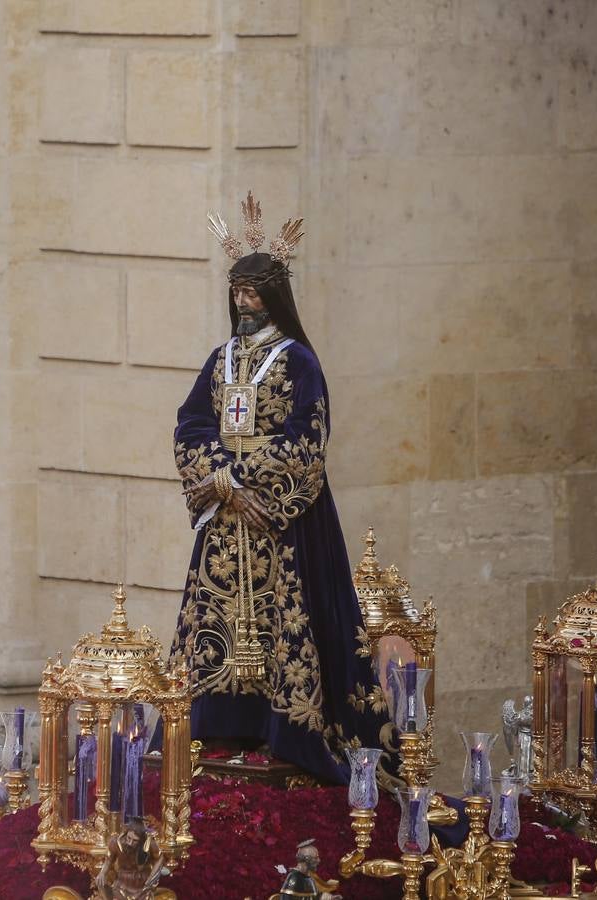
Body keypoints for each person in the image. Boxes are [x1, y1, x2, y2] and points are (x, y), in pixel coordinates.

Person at [170, 193, 394, 784]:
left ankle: (287, 730)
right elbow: (191, 423)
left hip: (281, 517)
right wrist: (220, 478)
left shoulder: (299, 362)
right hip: (225, 518)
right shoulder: (221, 361)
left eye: (253, 293)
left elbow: (308, 434)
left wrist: (248, 482)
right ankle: (219, 725)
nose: (243, 302)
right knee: (218, 613)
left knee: (284, 616)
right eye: (237, 293)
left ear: (274, 295)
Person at [95, 818, 173, 900]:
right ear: (126, 833)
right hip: (122, 883)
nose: (130, 843)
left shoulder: (149, 844)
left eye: (135, 840)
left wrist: (151, 880)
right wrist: (102, 873)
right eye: (129, 838)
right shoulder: (116, 843)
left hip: (141, 884)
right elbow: (109, 861)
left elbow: (159, 859)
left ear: (141, 840)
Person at [275, 840, 340, 900]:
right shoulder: (295, 877)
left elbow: (312, 897)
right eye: (316, 858)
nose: (319, 861)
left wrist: (331, 898)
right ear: (307, 859)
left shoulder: (308, 878)